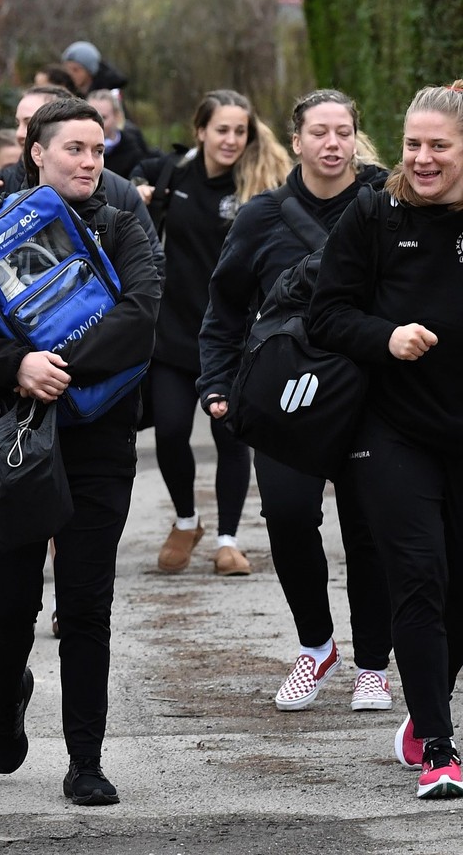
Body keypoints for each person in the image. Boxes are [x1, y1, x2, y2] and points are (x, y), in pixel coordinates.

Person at [0, 97, 160, 804]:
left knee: (84, 604)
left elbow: (140, 319)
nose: (89, 162)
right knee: (6, 604)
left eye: (97, 151)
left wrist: (57, 363)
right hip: (11, 434)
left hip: (99, 439)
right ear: (34, 151)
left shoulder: (126, 226)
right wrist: (18, 366)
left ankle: (85, 761)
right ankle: (9, 689)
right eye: (74, 148)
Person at [199, 89, 393, 714]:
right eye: (320, 133)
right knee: (285, 517)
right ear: (297, 139)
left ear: (357, 137)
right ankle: (316, 646)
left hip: (370, 392)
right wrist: (217, 382)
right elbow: (225, 306)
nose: (332, 144)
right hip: (289, 395)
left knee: (368, 529)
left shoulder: (388, 203)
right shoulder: (262, 216)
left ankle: (372, 664)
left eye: (343, 132)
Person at [308, 81, 463, 800]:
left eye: (439, 146)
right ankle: (439, 744)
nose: (422, 159)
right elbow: (325, 316)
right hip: (390, 430)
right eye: (413, 144)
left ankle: (426, 710)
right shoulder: (373, 214)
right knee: (420, 578)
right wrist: (387, 336)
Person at [132, 90, 290, 575]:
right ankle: (186, 521)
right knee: (172, 433)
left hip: (232, 333)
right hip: (174, 329)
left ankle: (228, 540)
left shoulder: (259, 186)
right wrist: (138, 184)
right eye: (221, 129)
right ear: (200, 130)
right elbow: (137, 175)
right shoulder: (173, 174)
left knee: (230, 438)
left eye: (239, 131)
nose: (231, 139)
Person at [86, 90, 154, 184]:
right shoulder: (75, 148)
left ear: (117, 117)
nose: (97, 122)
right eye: (91, 116)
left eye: (104, 117)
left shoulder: (132, 151)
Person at [60, 40, 129, 94]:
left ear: (89, 71)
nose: (70, 74)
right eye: (66, 69)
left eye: (76, 70)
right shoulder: (65, 93)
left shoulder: (109, 96)